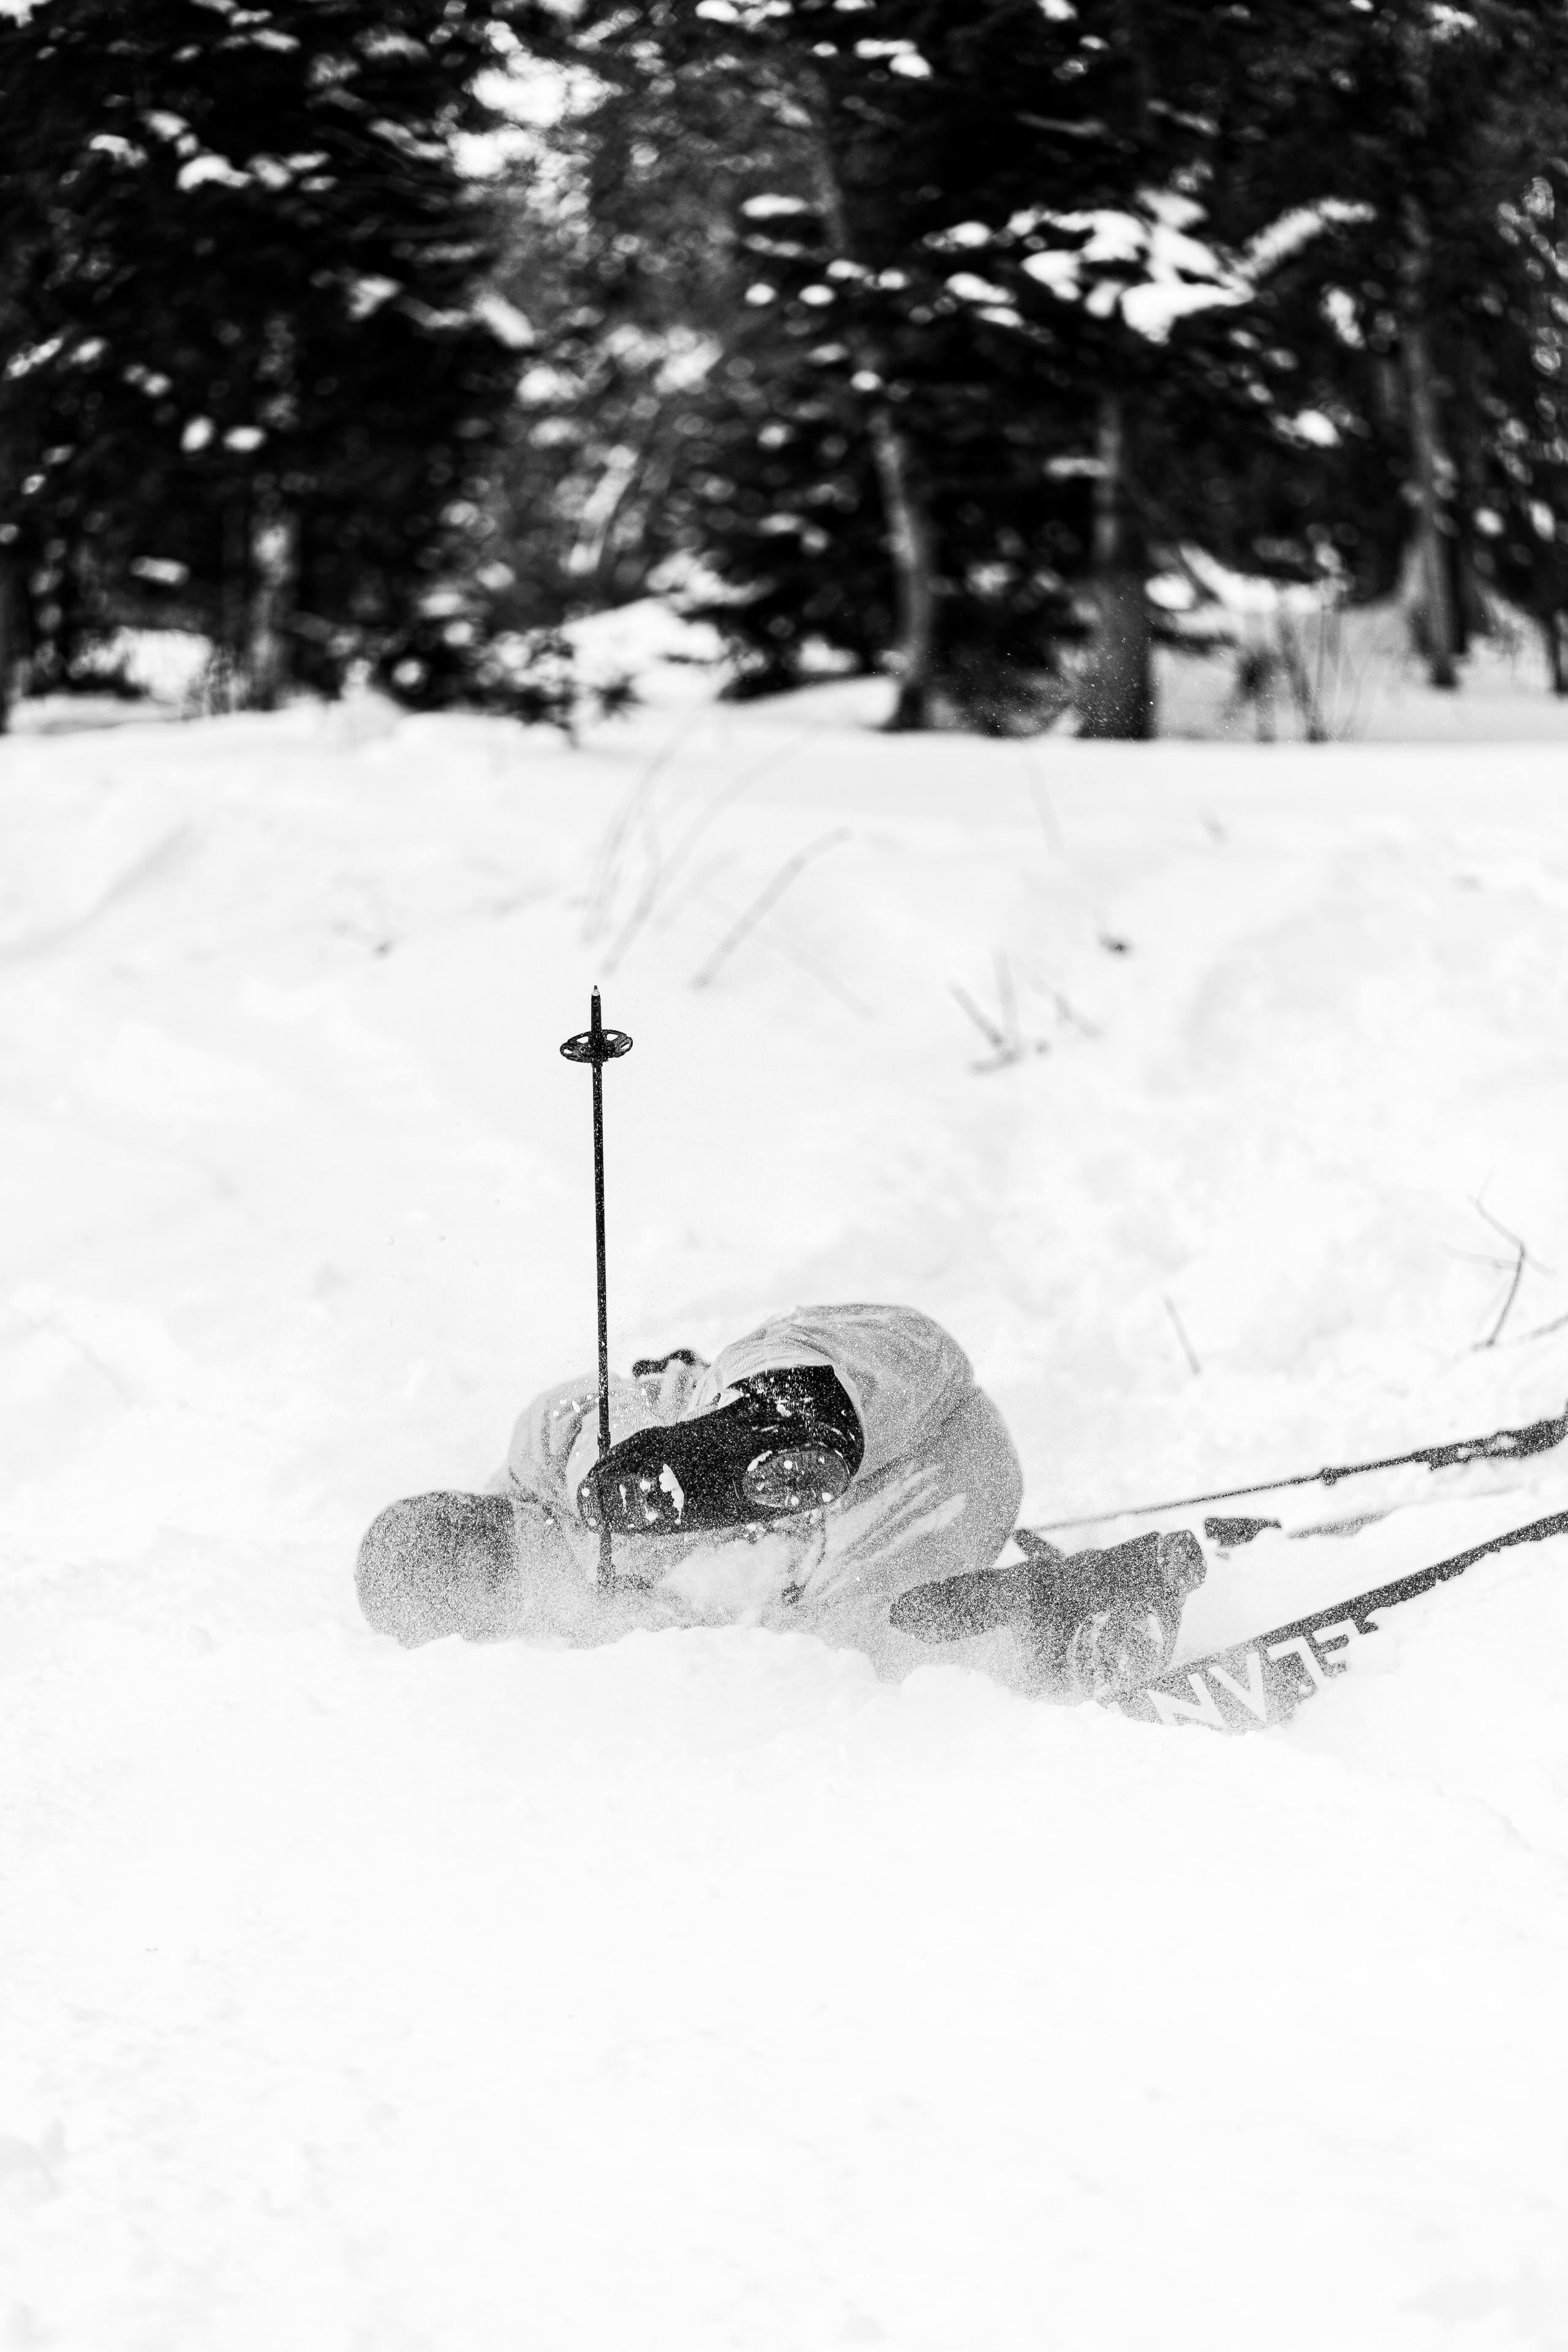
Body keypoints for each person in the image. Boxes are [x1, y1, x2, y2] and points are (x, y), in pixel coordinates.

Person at [355, 1302, 1204, 1700]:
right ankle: (1084, 1615)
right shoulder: (597, 1634)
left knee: (766, 1372)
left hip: (893, 1403)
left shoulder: (542, 1450)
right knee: (837, 1657)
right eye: (482, 1600)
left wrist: (630, 1482)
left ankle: (770, 1428)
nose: (508, 1589)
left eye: (485, 1566)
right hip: (935, 1508)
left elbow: (601, 1421)